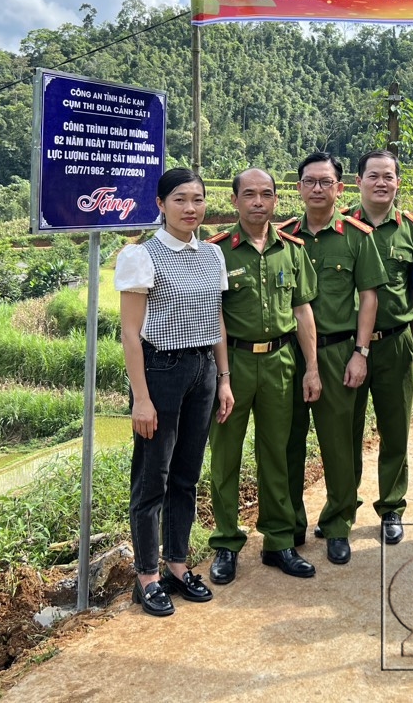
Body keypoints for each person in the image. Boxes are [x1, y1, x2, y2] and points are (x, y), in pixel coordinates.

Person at [115, 168, 234, 617]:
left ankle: (178, 565)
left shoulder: (212, 255)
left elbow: (216, 321)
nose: (191, 208)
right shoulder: (141, 256)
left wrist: (223, 378)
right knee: (152, 479)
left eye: (198, 200)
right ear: (161, 204)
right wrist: (141, 398)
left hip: (202, 369)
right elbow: (130, 335)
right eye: (180, 199)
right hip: (160, 371)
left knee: (186, 475)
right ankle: (147, 576)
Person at [206, 169, 321, 584]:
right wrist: (221, 375)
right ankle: (225, 542)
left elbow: (303, 310)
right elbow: (213, 316)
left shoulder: (291, 250)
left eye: (266, 194)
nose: (258, 201)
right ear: (234, 201)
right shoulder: (216, 252)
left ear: (276, 201)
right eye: (249, 194)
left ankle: (278, 541)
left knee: (278, 453)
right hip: (233, 363)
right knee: (226, 455)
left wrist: (311, 368)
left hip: (280, 362)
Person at [283, 151, 387, 565]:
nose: (318, 189)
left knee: (339, 443)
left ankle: (339, 522)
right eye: (310, 181)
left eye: (326, 182)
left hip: (339, 350)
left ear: (340, 188)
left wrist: (360, 352)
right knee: (286, 440)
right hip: (288, 353)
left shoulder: (357, 236)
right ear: (299, 187)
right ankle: (289, 522)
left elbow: (369, 297)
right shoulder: (284, 237)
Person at [343, 150, 413, 545]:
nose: (381, 182)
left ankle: (392, 506)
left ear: (397, 182)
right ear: (359, 181)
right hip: (345, 347)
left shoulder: (412, 231)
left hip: (395, 343)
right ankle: (343, 508)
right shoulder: (340, 227)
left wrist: (411, 340)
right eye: (373, 175)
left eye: (388, 176)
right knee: (346, 431)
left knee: (395, 430)